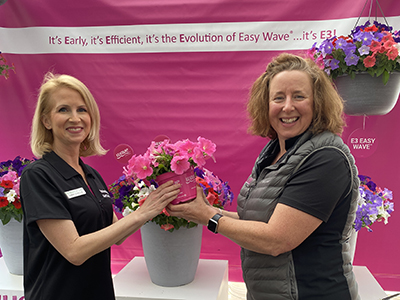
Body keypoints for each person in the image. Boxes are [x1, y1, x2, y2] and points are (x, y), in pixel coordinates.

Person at [168, 53, 360, 300]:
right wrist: (205, 210)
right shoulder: (274, 153)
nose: (287, 106)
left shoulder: (326, 158)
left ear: (318, 103)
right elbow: (263, 220)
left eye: (299, 96)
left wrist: (210, 218)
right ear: (265, 104)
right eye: (278, 98)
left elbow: (277, 239)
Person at [20, 73, 181, 300]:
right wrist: (142, 213)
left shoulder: (91, 175)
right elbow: (74, 251)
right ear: (46, 121)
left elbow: (117, 235)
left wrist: (155, 205)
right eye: (63, 109)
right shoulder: (38, 175)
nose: (75, 118)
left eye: (82, 110)